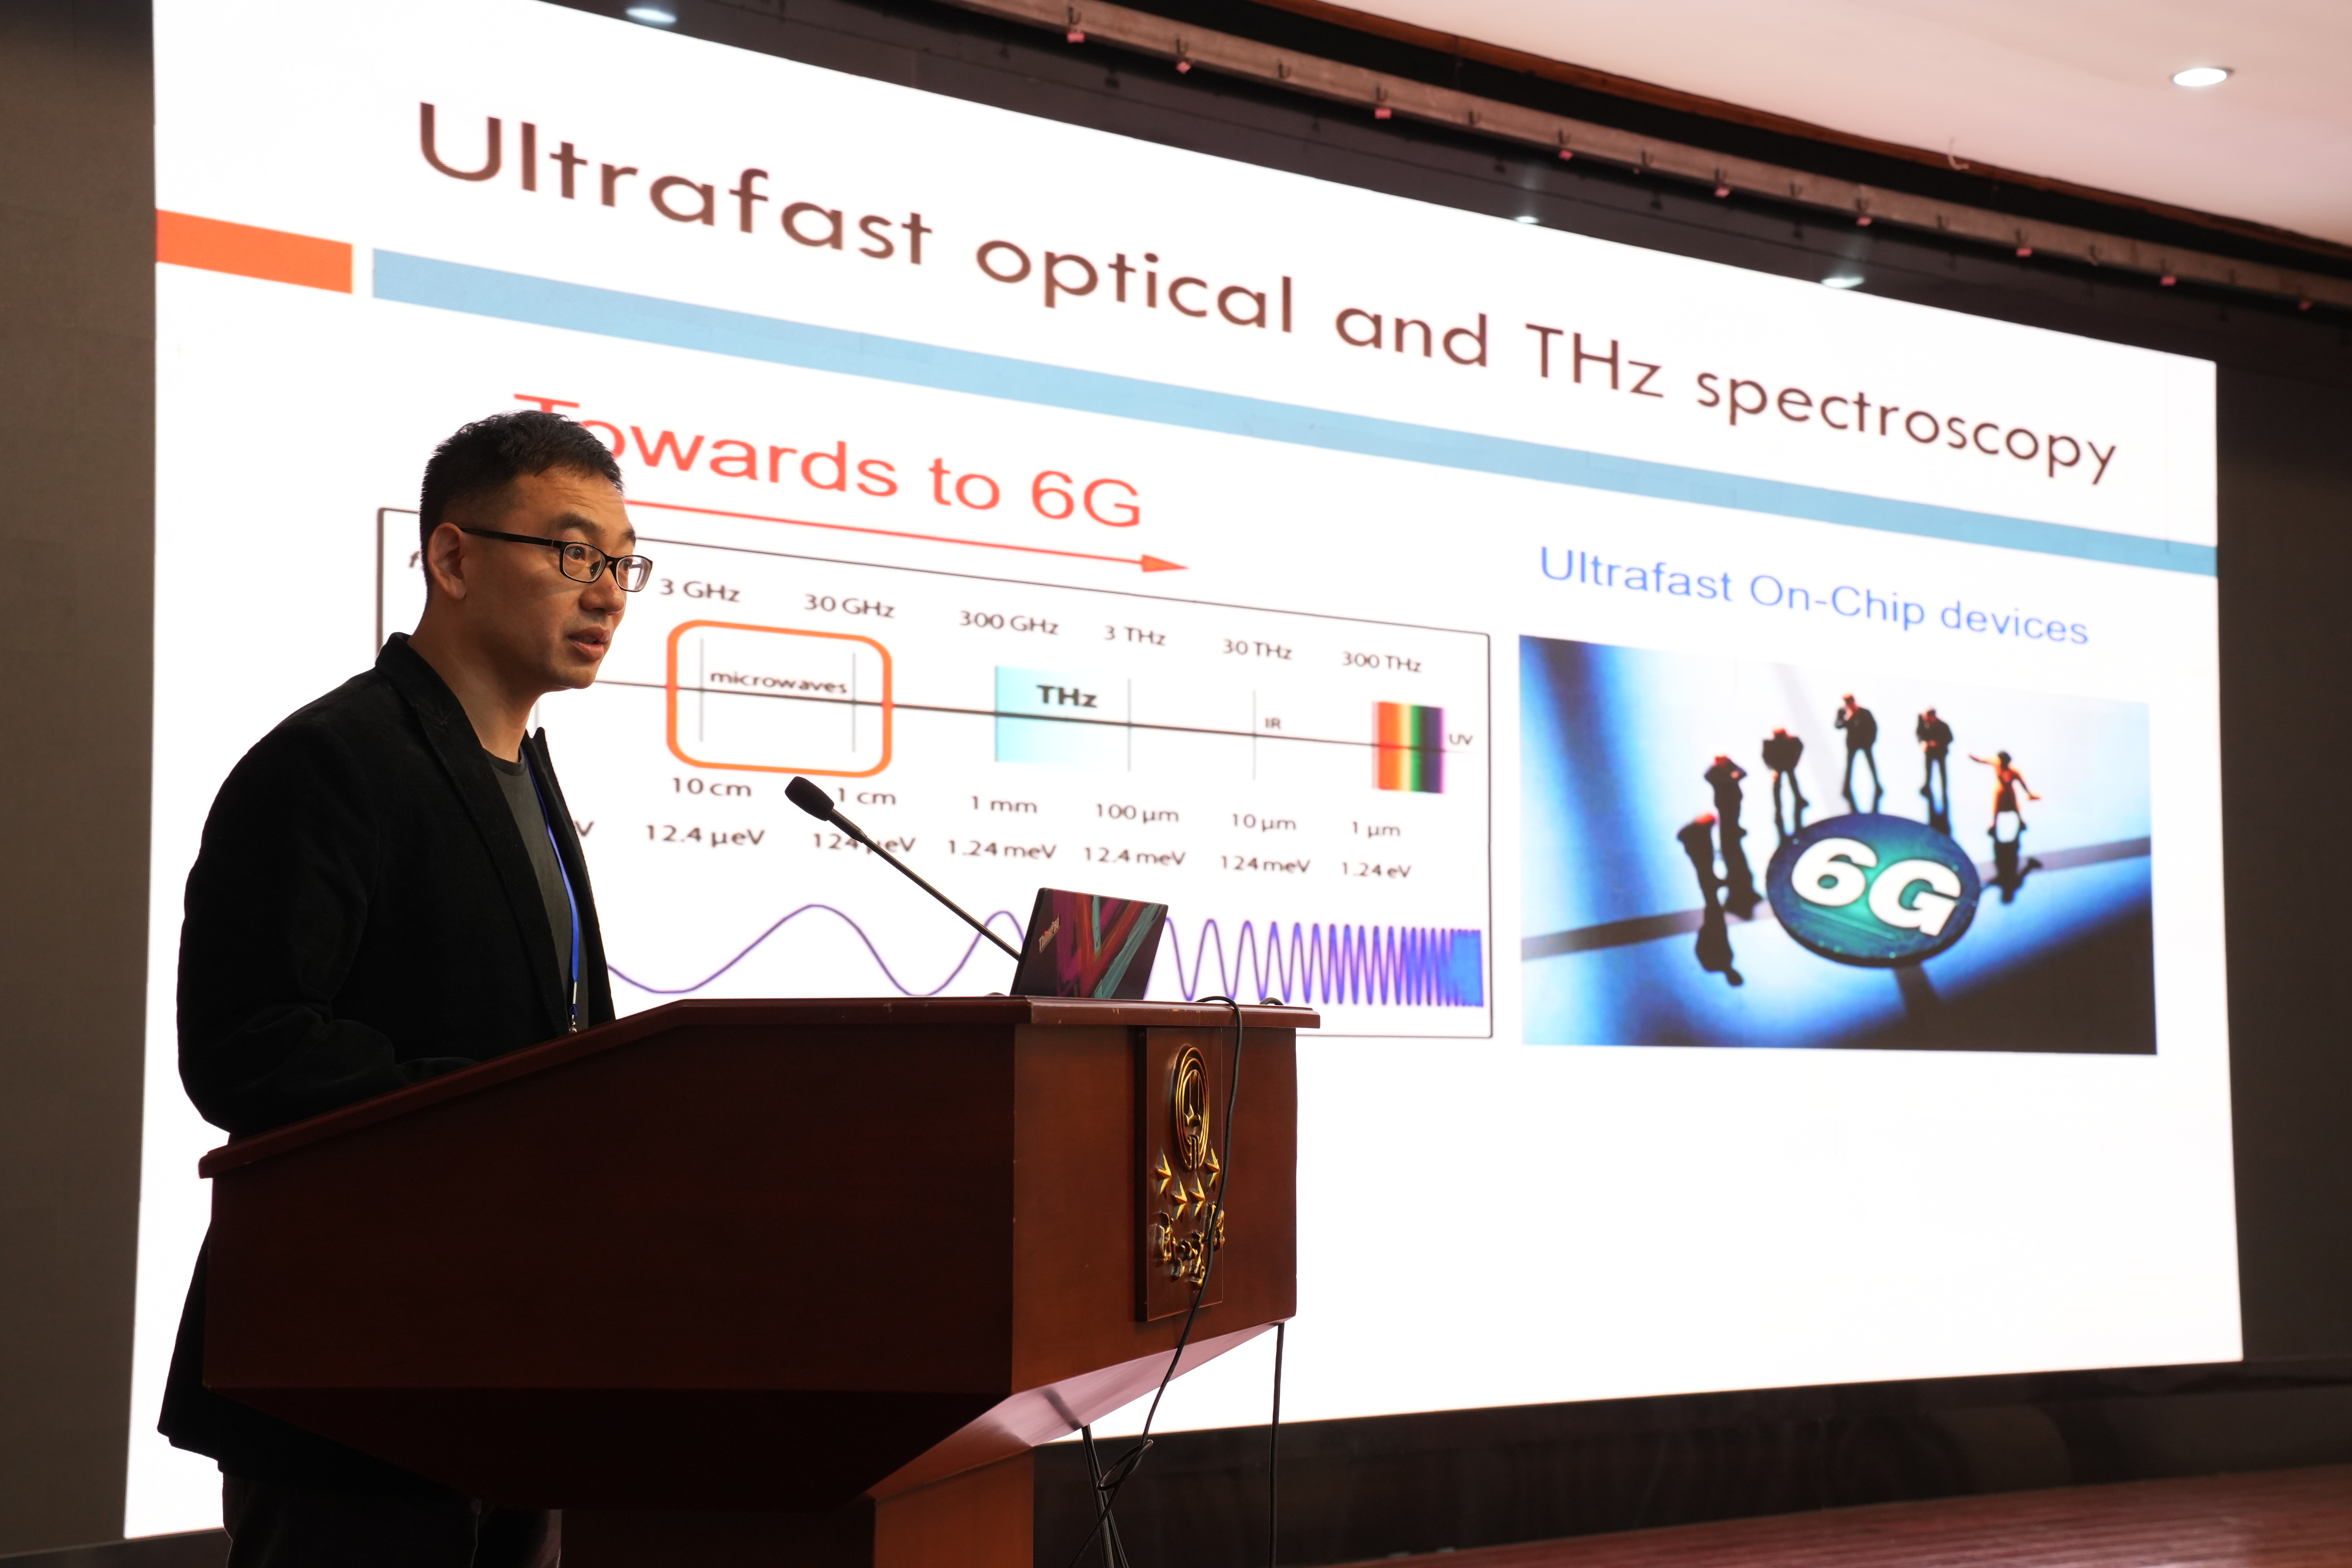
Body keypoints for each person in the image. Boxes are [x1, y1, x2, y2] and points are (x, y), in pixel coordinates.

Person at [159, 411, 649, 1567]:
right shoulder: (332, 760)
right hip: (350, 1375)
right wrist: (509, 1106)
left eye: (623, 563)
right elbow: (245, 1043)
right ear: (452, 557)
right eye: (572, 552)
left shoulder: (524, 771)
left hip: (510, 1360)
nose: (607, 592)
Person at [1968, 748, 2041, 838]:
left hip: (2009, 793)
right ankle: (1994, 825)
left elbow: (2023, 784)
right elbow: (1982, 760)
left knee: (2015, 808)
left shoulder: (2014, 772)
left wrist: (2029, 794)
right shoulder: (1997, 763)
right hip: (2000, 792)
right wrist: (1972, 757)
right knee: (1997, 809)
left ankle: (2021, 822)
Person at [1835, 693, 1880, 811]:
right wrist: (1847, 719)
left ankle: (1877, 785)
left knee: (1871, 764)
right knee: (1850, 766)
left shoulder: (1865, 712)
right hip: (1852, 744)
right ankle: (1847, 787)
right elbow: (1838, 725)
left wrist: (1871, 741)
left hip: (1865, 743)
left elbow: (1874, 727)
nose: (1850, 705)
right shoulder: (1843, 713)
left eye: (1851, 702)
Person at [1760, 727, 1807, 838]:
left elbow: (1800, 747)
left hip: (1788, 764)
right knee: (1780, 786)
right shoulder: (1771, 744)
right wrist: (1772, 768)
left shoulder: (1792, 741)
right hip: (1779, 765)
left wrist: (1795, 761)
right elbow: (1766, 757)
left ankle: (1797, 800)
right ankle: (1780, 807)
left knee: (1790, 783)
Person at [1916, 707, 1954, 816]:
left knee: (1942, 771)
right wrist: (1923, 743)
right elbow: (1919, 734)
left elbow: (1950, 738)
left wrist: (1938, 743)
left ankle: (1944, 790)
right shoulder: (1924, 724)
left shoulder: (1943, 726)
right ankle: (1927, 785)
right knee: (1928, 769)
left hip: (1940, 752)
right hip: (1929, 752)